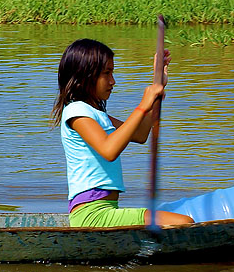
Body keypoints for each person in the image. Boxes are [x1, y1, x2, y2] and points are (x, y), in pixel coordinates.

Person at [53, 39, 193, 228]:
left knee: (179, 221)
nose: (113, 81)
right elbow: (109, 150)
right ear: (85, 76)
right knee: (184, 222)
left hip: (105, 209)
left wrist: (157, 86)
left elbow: (140, 134)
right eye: (106, 73)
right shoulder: (76, 111)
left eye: (113, 72)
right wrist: (143, 105)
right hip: (91, 214)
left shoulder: (97, 115)